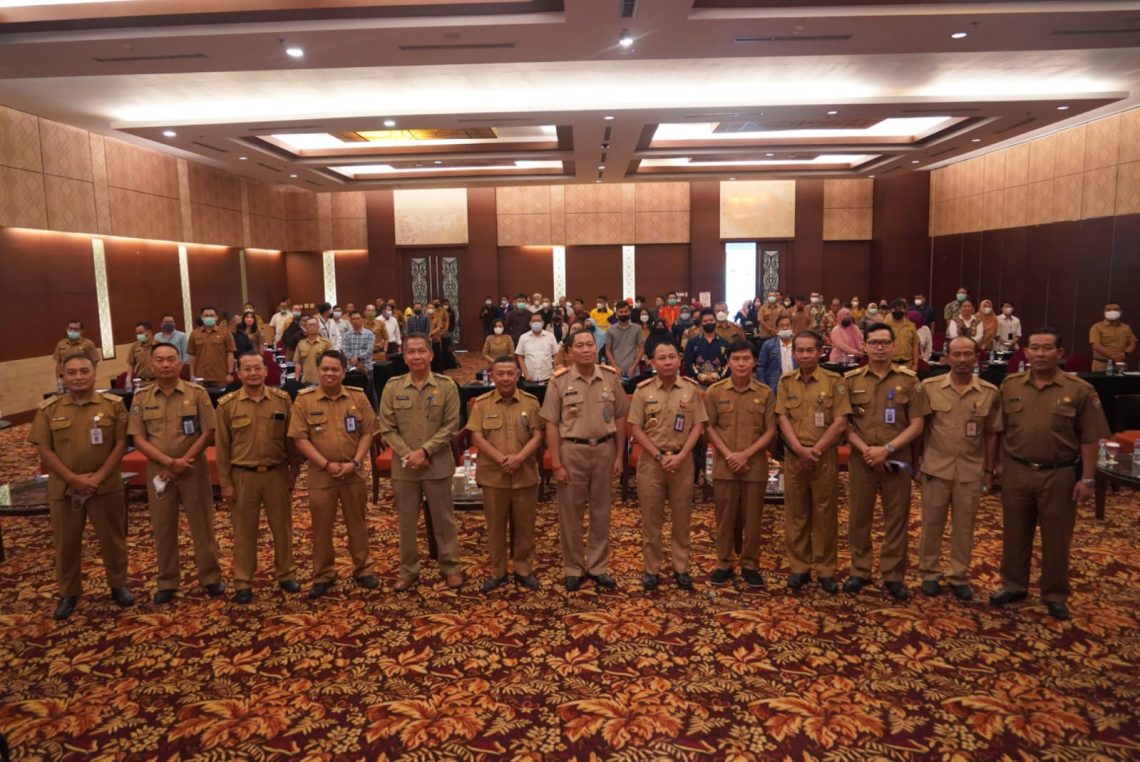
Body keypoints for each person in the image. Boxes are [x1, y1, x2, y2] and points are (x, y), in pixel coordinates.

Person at [991, 328, 1110, 619]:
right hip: (1017, 471)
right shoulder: (1011, 385)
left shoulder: (1079, 389)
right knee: (1014, 534)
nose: (1040, 354)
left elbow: (1090, 437)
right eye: (1034, 348)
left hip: (1059, 474)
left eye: (1047, 348)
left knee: (1057, 537)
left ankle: (1054, 594)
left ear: (1060, 353)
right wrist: (996, 465)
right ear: (1026, 353)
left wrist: (1088, 478)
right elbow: (999, 429)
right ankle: (1013, 586)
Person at [29, 354, 133, 620]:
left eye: (84, 371)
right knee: (66, 543)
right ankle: (69, 592)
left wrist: (97, 478)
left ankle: (118, 584)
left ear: (94, 373)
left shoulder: (113, 406)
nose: (78, 377)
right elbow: (44, 449)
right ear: (62, 376)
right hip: (65, 489)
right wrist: (73, 479)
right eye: (72, 372)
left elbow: (121, 444)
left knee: (113, 539)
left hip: (105, 485)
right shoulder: (49, 409)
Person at [128, 343, 223, 604]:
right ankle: (167, 581)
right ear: (152, 364)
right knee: (163, 526)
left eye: (171, 359)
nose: (166, 365)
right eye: (160, 360)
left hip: (193, 468)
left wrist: (183, 461)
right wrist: (169, 463)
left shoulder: (197, 393)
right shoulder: (142, 397)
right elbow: (138, 438)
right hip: (159, 470)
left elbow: (208, 432)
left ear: (180, 363)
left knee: (203, 524)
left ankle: (211, 576)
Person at [843, 323, 928, 601]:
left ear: (893, 346)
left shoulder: (910, 381)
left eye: (884, 343)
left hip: (897, 459)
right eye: (874, 343)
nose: (879, 348)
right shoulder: (851, 381)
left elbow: (917, 425)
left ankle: (893, 574)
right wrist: (868, 451)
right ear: (865, 346)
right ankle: (860, 569)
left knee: (897, 518)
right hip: (862, 458)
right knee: (859, 518)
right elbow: (844, 424)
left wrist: (887, 449)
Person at [541, 329, 629, 591]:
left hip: (604, 450)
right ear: (570, 352)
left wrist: (619, 456)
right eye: (579, 345)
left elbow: (620, 417)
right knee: (571, 513)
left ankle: (598, 566)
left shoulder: (610, 377)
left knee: (601, 512)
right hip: (572, 451)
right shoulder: (559, 381)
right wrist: (556, 462)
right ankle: (573, 567)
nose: (586, 349)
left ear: (596, 347)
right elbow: (551, 423)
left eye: (590, 344)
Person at [917, 336, 1001, 602]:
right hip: (936, 467)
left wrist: (989, 470)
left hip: (971, 469)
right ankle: (929, 573)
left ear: (977, 357)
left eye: (967, 354)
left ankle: (959, 576)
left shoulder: (989, 392)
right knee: (931, 524)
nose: (962, 360)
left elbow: (992, 434)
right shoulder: (929, 387)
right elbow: (920, 428)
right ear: (947, 357)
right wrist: (918, 462)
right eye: (957, 354)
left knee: (964, 527)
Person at [290, 350, 379, 598]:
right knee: (321, 528)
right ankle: (323, 574)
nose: (330, 373)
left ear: (343, 372)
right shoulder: (304, 400)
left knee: (358, 524)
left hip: (353, 472)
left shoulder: (357, 397)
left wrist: (357, 461)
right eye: (325, 369)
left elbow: (368, 432)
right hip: (321, 474)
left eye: (335, 369)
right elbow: (299, 438)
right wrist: (326, 464)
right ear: (318, 371)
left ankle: (363, 569)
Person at [378, 335, 464, 591]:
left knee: (444, 520)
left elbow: (451, 426)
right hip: (405, 467)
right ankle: (408, 570)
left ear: (431, 355)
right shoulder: (393, 387)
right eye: (411, 352)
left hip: (437, 464)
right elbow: (387, 427)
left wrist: (424, 451)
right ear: (404, 357)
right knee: (406, 522)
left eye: (422, 351)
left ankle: (451, 567)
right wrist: (409, 455)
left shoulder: (447, 386)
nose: (417, 356)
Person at [215, 352, 302, 603]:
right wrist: (226, 483)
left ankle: (286, 574)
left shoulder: (282, 400)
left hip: (276, 474)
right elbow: (222, 447)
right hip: (243, 476)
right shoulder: (227, 405)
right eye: (247, 369)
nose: (253, 373)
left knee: (282, 529)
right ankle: (243, 582)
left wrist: (294, 472)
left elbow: (291, 440)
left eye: (257, 368)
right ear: (239, 373)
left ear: (266, 371)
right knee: (244, 533)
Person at [628, 341, 707, 591]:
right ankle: (652, 569)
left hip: (682, 462)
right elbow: (635, 428)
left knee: (682, 519)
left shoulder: (691, 389)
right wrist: (658, 456)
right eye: (661, 358)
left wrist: (682, 455)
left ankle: (681, 567)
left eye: (672, 356)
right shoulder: (643, 391)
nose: (668, 362)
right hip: (652, 463)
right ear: (652, 362)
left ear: (679, 360)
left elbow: (698, 425)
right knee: (651, 520)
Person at [776, 331, 850, 593]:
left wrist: (815, 451)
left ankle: (826, 569)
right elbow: (782, 417)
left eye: (810, 350)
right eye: (800, 351)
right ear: (794, 353)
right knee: (796, 513)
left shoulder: (834, 381)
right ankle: (799, 567)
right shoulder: (786, 382)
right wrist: (799, 449)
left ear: (820, 352)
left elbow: (841, 421)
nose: (805, 355)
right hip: (795, 457)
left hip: (824, 457)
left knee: (824, 515)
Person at [467, 356, 544, 592]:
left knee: (525, 527)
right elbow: (476, 437)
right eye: (500, 373)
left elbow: (538, 434)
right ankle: (498, 571)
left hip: (524, 474)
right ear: (492, 376)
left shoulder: (530, 402)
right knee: (495, 528)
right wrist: (501, 459)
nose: (505, 378)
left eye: (510, 373)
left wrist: (519, 458)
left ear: (518, 375)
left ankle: (523, 569)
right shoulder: (482, 404)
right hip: (494, 476)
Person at [703, 340, 777, 588]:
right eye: (736, 359)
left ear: (754, 362)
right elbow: (708, 427)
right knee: (724, 518)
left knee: (753, 518)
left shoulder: (765, 393)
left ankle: (750, 564)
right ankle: (724, 563)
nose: (741, 364)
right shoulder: (715, 392)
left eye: (746, 359)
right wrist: (728, 454)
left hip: (754, 465)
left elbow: (771, 430)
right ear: (728, 362)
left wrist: (746, 455)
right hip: (725, 465)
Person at [187, 306, 236, 387]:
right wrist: (192, 375)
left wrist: (230, 373)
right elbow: (192, 356)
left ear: (216, 317)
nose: (209, 318)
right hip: (200, 378)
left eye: (212, 315)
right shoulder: (194, 334)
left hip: (221, 377)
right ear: (202, 317)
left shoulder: (225, 333)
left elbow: (230, 354)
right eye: (206, 316)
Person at [683, 308, 730, 386]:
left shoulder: (725, 343)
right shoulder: (692, 343)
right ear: (701, 323)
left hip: (720, 384)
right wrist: (700, 376)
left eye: (711, 320)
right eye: (705, 321)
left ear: (716, 321)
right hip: (697, 385)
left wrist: (718, 376)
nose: (709, 322)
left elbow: (729, 363)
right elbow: (688, 362)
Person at [604, 302, 646, 380]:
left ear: (629, 312)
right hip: (616, 370)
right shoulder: (610, 330)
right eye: (621, 312)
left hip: (633, 370)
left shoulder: (637, 328)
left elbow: (642, 348)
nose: (623, 314)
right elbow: (607, 350)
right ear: (616, 313)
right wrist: (615, 367)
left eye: (626, 311)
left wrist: (634, 366)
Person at [1089, 302, 1136, 371]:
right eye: (1108, 309)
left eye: (1115, 309)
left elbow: (1133, 344)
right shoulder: (1097, 327)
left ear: (1121, 312)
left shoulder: (1126, 328)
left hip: (1121, 365)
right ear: (1104, 312)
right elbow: (1095, 346)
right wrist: (1113, 356)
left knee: (1122, 378)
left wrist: (1125, 354)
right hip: (1102, 365)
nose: (1112, 312)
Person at [515, 313, 560, 382]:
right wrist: (526, 374)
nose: (536, 323)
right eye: (533, 321)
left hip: (547, 376)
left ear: (543, 322)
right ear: (529, 323)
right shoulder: (523, 337)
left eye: (539, 321)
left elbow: (556, 354)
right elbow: (520, 356)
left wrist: (554, 371)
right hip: (529, 377)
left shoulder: (550, 336)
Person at [757, 315, 796, 392]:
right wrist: (764, 386)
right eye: (781, 326)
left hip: (796, 384)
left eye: (787, 325)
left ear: (792, 327)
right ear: (777, 329)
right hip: (775, 385)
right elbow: (760, 366)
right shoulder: (768, 345)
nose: (785, 328)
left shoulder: (798, 344)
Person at [293, 316, 333, 386]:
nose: (312, 327)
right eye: (309, 325)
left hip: (322, 382)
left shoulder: (326, 343)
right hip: (305, 381)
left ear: (318, 327)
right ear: (306, 328)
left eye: (314, 325)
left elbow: (331, 362)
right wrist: (296, 380)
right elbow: (298, 363)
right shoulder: (301, 343)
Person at [884, 299, 920, 369]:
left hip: (908, 364)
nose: (898, 310)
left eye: (900, 308)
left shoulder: (911, 326)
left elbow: (915, 345)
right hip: (891, 364)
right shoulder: (886, 327)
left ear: (905, 310)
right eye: (895, 309)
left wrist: (915, 363)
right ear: (891, 310)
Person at [341, 310, 376, 383]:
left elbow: (369, 350)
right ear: (350, 321)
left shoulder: (369, 334)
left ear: (362, 320)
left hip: (366, 367)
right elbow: (345, 350)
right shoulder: (346, 335)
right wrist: (351, 358)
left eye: (358, 318)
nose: (356, 321)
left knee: (368, 389)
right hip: (351, 368)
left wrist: (358, 358)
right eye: (353, 319)